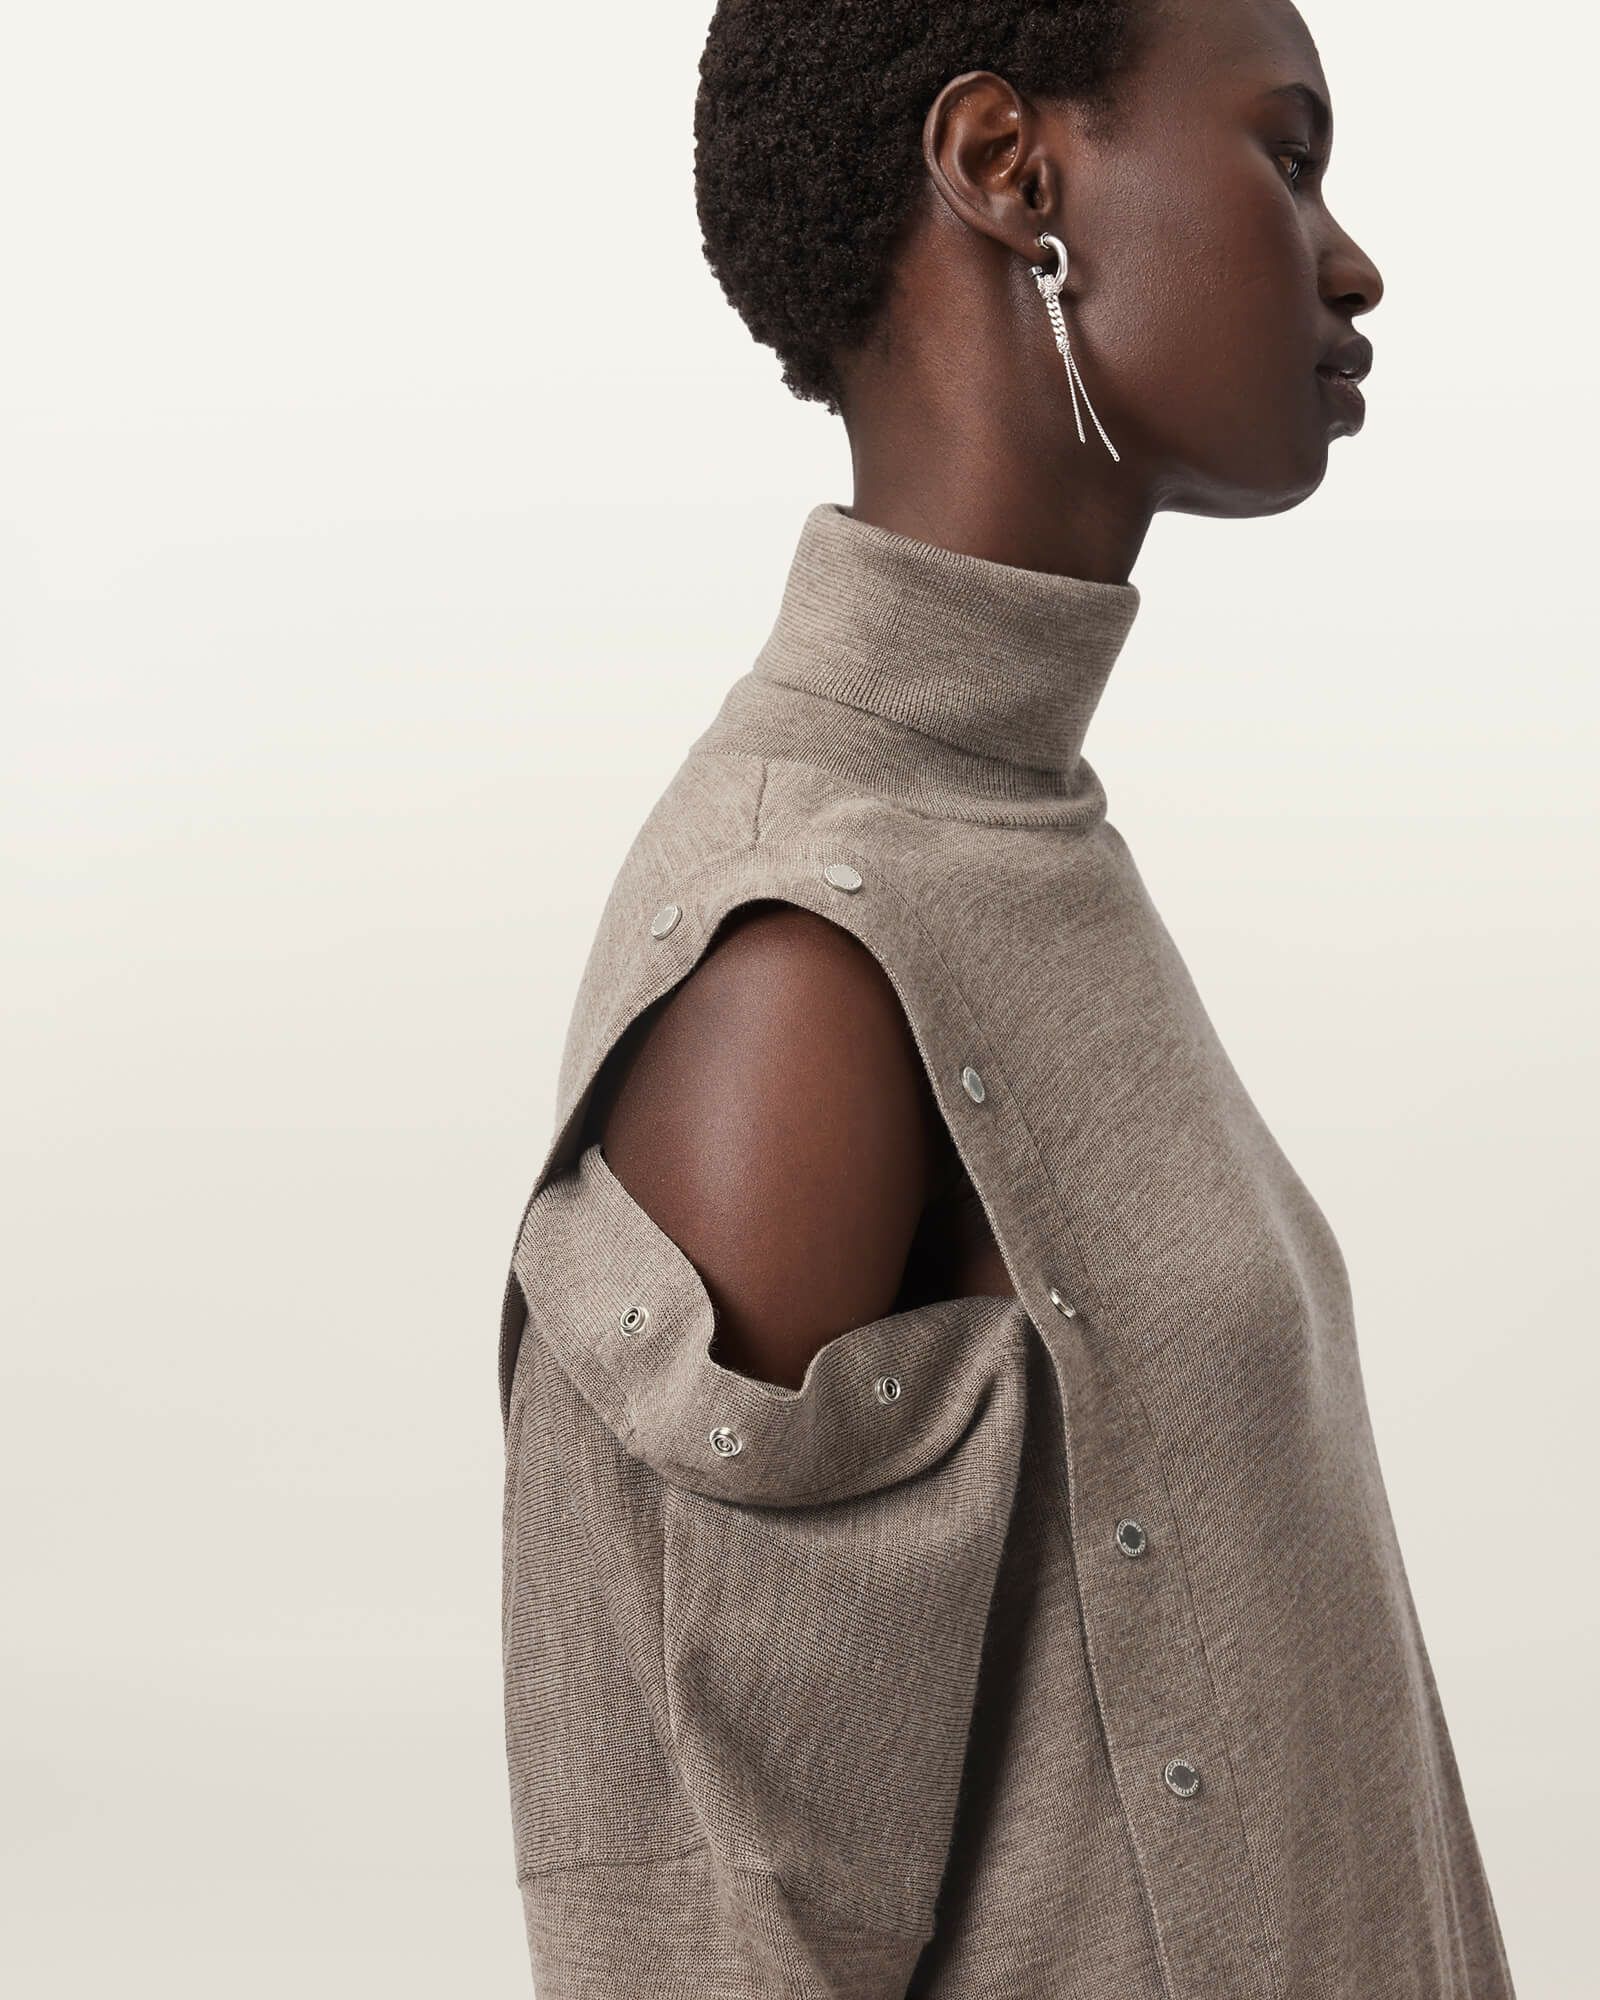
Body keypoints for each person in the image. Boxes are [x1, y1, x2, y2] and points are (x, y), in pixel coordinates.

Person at [498, 3, 1518, 1994]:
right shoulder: (807, 952)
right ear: (1003, 169)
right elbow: (715, 1945)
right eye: (1285, 154)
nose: (1350, 262)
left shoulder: (1008, 833)